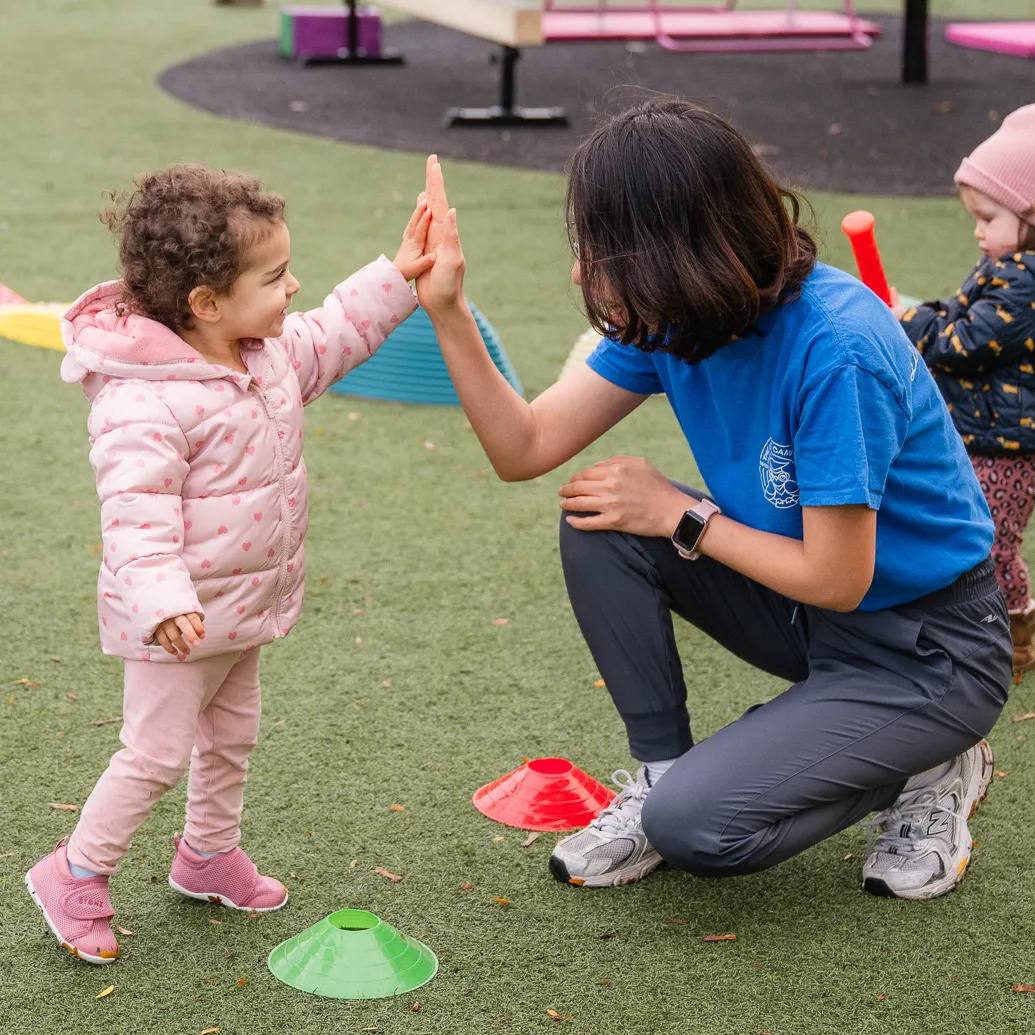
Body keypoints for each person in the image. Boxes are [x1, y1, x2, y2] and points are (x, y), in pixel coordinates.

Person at [414, 99, 1011, 903]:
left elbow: (838, 578)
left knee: (697, 828)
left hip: (928, 649)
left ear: (675, 250)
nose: (581, 273)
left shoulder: (835, 348)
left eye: (600, 249)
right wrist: (447, 310)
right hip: (808, 616)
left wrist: (680, 515)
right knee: (601, 519)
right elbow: (523, 447)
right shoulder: (675, 321)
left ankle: (928, 762)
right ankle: (661, 772)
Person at [25, 163, 434, 963]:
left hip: (238, 607)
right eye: (274, 277)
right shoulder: (142, 399)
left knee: (231, 734)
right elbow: (135, 514)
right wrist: (162, 601)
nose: (293, 287)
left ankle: (207, 854)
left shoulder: (264, 354)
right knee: (153, 753)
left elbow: (334, 331)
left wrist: (398, 274)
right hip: (177, 621)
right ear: (206, 303)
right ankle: (74, 870)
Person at [893, 103, 1035, 678]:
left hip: (1009, 446)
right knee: (970, 530)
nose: (978, 230)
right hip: (983, 432)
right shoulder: (1002, 264)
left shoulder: (1027, 281)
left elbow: (964, 341)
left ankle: (1017, 634)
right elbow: (956, 313)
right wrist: (917, 312)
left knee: (993, 543)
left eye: (989, 218)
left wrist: (908, 320)